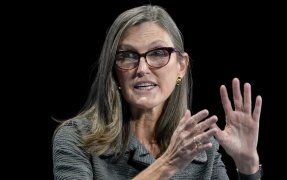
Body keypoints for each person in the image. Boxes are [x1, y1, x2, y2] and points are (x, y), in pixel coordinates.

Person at [52, 4, 263, 180]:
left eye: (158, 53)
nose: (142, 69)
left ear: (181, 66)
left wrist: (248, 165)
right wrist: (167, 165)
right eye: (128, 56)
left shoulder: (202, 147)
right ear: (114, 70)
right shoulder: (76, 138)